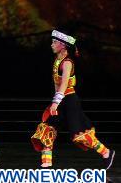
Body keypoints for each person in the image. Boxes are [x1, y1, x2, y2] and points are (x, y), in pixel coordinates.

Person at [31, 30, 114, 169]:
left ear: (62, 45)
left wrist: (55, 103)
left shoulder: (67, 62)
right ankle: (46, 164)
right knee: (47, 130)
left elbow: (63, 84)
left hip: (70, 101)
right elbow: (57, 85)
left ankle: (106, 153)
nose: (51, 45)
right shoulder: (57, 61)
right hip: (60, 101)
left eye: (54, 42)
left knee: (79, 134)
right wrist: (54, 102)